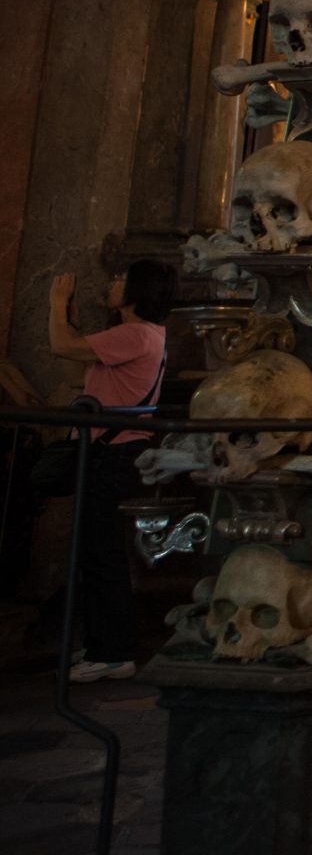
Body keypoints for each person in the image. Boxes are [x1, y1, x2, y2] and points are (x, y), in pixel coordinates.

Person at [40, 259, 176, 683]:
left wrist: (56, 303)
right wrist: (73, 325)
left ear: (138, 291)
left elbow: (61, 347)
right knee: (97, 553)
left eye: (121, 278)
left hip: (111, 454)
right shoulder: (140, 334)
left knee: (103, 556)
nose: (114, 282)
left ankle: (113, 652)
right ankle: (103, 643)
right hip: (114, 451)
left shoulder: (134, 333)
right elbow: (79, 365)